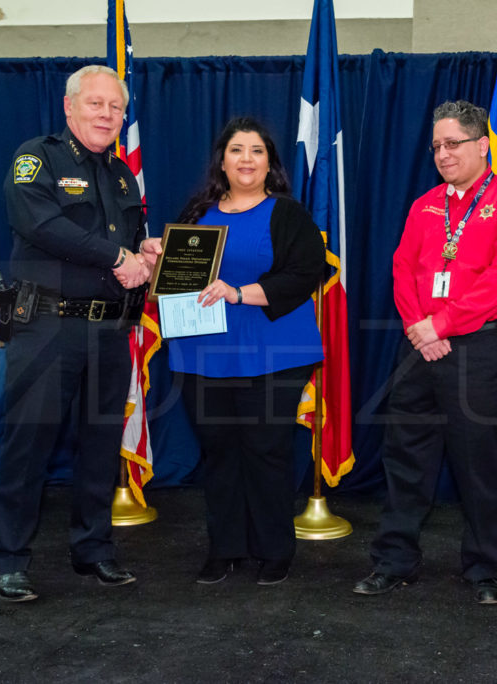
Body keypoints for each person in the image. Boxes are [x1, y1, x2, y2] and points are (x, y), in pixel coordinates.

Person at [353, 100, 497, 605]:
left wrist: (441, 323)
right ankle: (394, 561)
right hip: (418, 345)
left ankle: (483, 570)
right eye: (436, 145)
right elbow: (403, 269)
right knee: (405, 457)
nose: (442, 153)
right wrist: (420, 327)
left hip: (479, 347)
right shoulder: (425, 205)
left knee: (478, 462)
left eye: (452, 143)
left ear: (483, 146)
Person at [0, 65, 162, 601]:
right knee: (28, 444)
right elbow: (39, 224)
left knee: (101, 444)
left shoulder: (121, 175)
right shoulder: (36, 158)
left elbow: (132, 242)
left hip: (109, 329)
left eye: (116, 107)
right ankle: (11, 558)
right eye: (95, 104)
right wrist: (118, 257)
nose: (107, 115)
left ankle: (93, 549)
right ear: (69, 107)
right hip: (47, 326)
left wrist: (149, 255)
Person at [169, 117, 324, 586]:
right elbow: (181, 276)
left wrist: (238, 292)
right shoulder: (197, 214)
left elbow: (305, 274)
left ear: (269, 162)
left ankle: (273, 550)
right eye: (237, 150)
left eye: (256, 151)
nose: (246, 160)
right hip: (203, 354)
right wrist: (160, 258)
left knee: (266, 451)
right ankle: (226, 548)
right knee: (217, 452)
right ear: (222, 160)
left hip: (272, 353)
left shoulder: (287, 214)